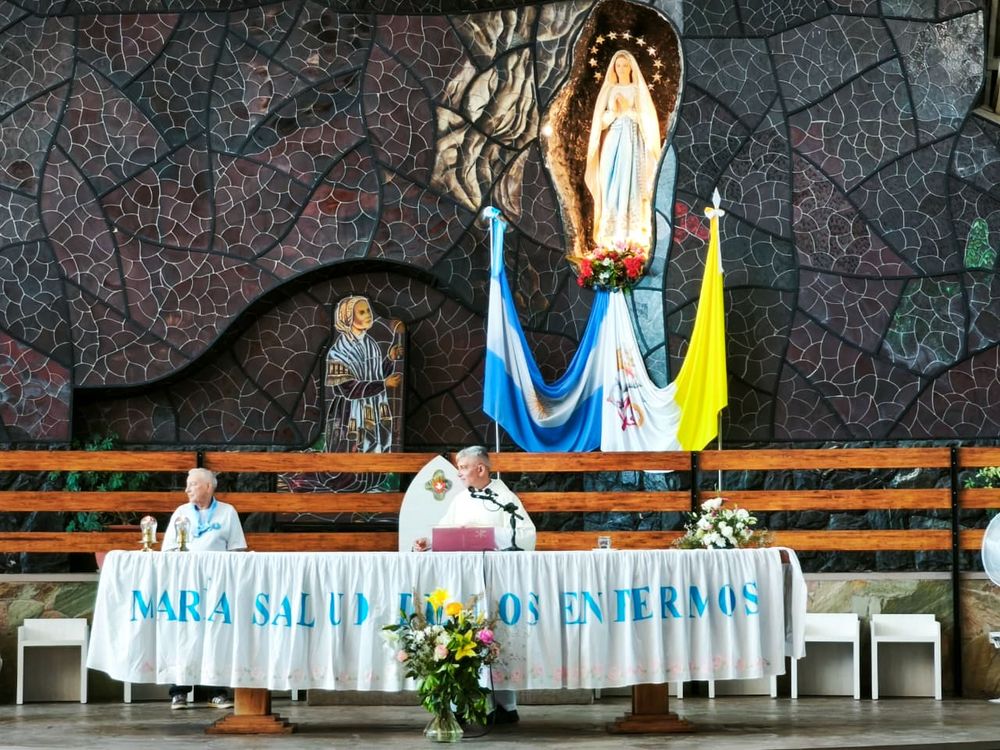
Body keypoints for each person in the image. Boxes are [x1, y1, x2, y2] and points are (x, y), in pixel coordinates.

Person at [413, 446, 535, 724]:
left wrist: (485, 536)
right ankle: (473, 704)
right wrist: (428, 543)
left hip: (497, 582)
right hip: (464, 583)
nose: (459, 473)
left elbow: (526, 535)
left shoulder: (504, 498)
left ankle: (505, 706)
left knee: (496, 638)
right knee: (466, 638)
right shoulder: (460, 500)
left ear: (481, 469)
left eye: (464, 467)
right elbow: (446, 533)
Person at [161, 468, 247, 711]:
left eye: (193, 484)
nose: (187, 489)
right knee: (184, 635)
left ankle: (216, 693)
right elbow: (168, 551)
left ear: (209, 487)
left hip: (217, 587)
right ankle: (179, 692)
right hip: (186, 586)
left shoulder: (227, 512)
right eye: (187, 484)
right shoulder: (181, 513)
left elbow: (237, 551)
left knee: (216, 636)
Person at [584, 49, 662, 251]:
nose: (621, 69)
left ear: (631, 67)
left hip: (632, 141)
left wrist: (628, 108)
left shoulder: (637, 90)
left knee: (631, 183)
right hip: (613, 140)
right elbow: (599, 122)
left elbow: (647, 119)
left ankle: (632, 235)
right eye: (618, 65)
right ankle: (609, 234)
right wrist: (614, 113)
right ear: (613, 68)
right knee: (609, 182)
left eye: (625, 65)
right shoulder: (609, 90)